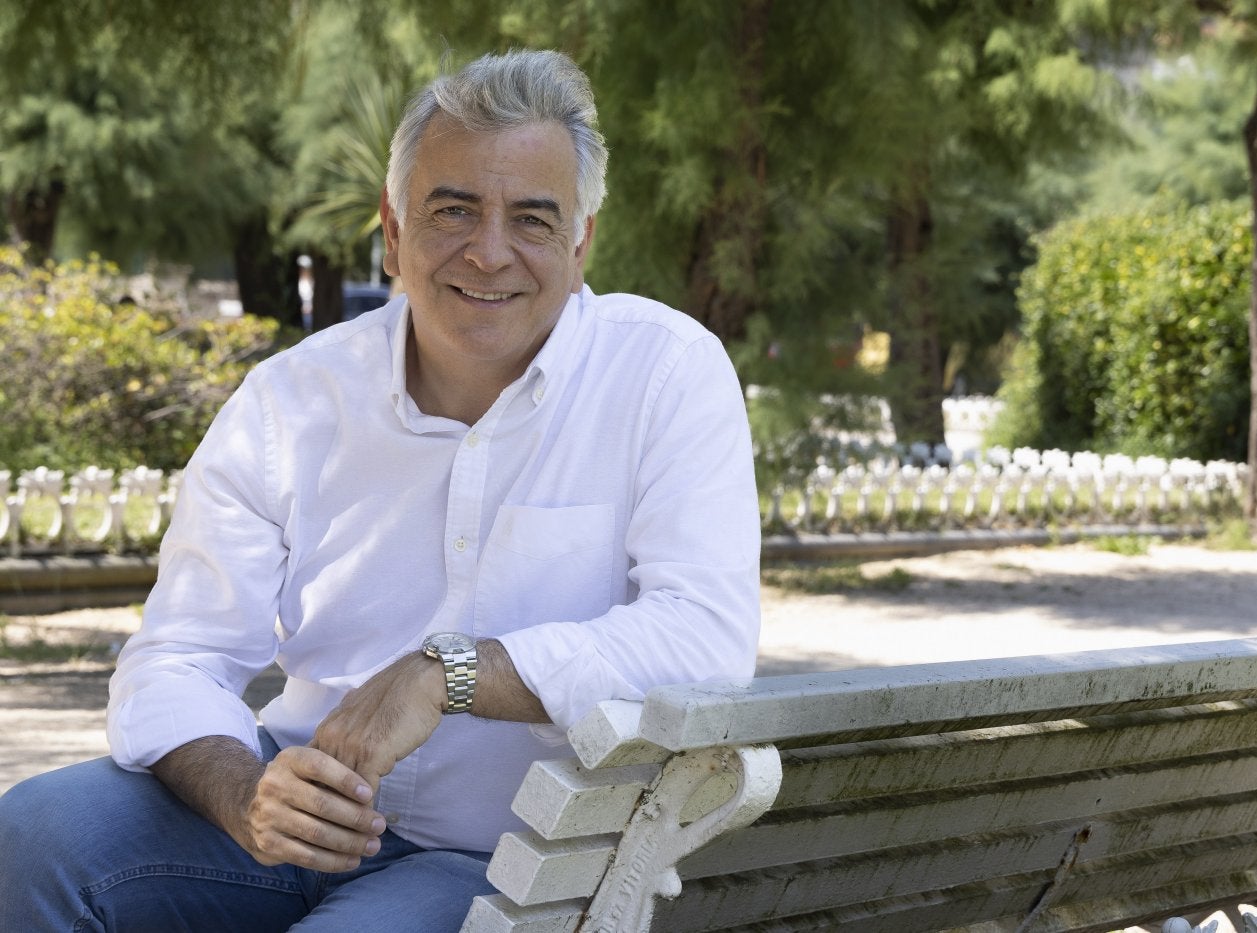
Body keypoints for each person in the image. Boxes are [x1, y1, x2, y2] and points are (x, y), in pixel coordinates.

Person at [0, 49, 760, 932]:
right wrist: (245, 793)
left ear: (581, 243)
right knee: (29, 838)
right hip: (287, 821)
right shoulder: (291, 401)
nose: (490, 250)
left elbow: (703, 637)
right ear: (393, 233)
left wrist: (453, 671)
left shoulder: (665, 372)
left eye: (533, 219)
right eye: (453, 210)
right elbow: (182, 655)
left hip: (507, 856)